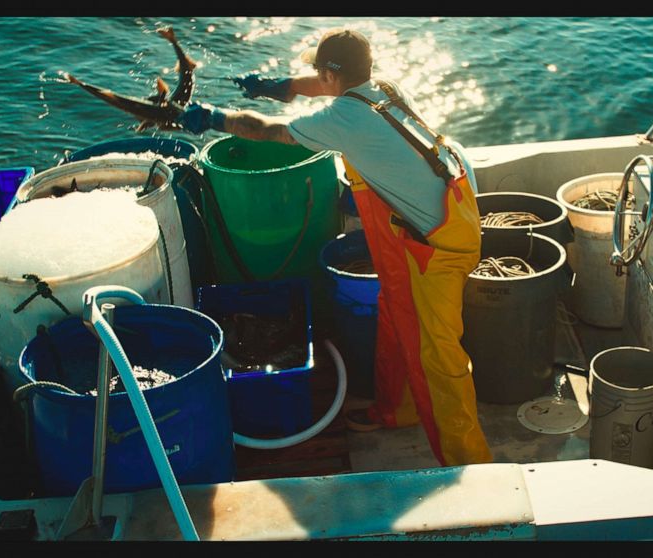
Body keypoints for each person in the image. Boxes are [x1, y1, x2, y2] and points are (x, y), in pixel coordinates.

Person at [179, 28, 491, 467]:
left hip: (440, 247)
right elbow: (325, 87)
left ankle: (472, 465)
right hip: (442, 215)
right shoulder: (382, 88)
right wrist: (282, 88)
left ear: (329, 73)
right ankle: (398, 411)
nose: (314, 79)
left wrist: (214, 117)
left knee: (440, 357)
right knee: (398, 317)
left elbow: (271, 132)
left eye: (316, 73)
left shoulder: (343, 119)